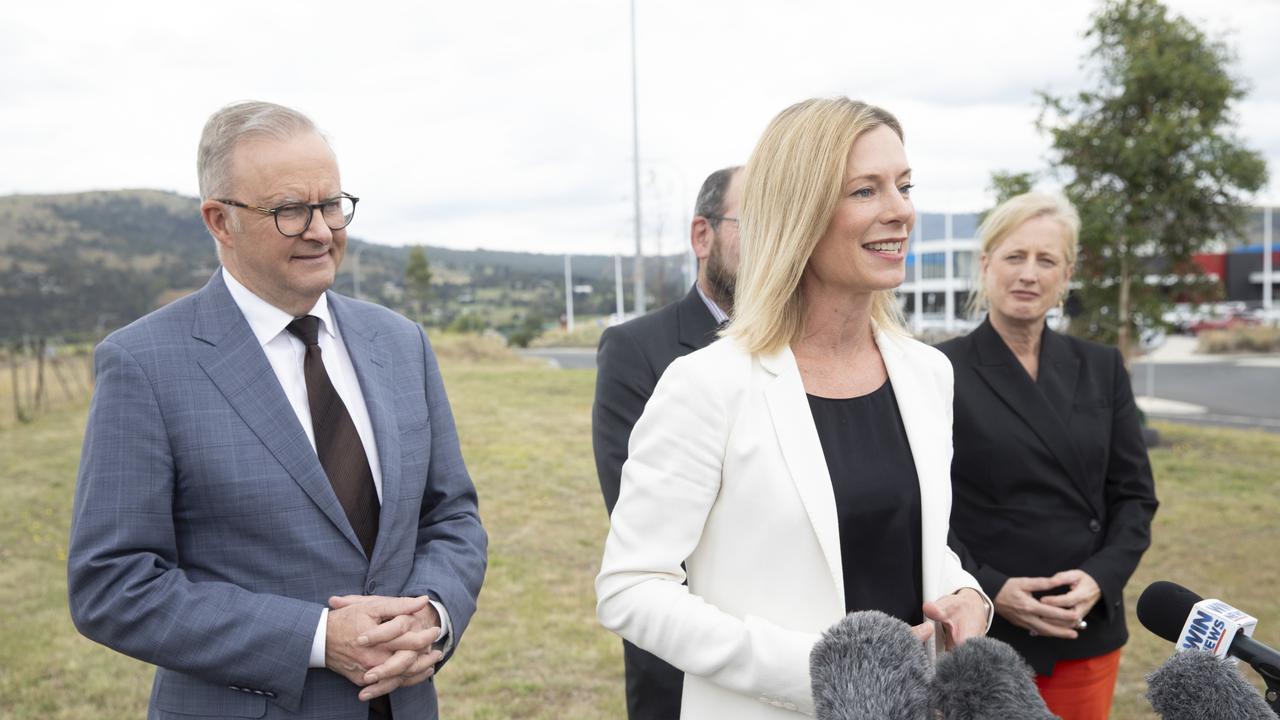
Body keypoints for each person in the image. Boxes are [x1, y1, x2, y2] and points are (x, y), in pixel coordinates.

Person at [67, 101, 488, 720]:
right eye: (290, 210)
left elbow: (451, 516)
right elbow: (113, 585)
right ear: (220, 221)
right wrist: (315, 638)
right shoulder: (145, 363)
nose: (321, 230)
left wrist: (432, 612)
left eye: (332, 204)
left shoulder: (401, 342)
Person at [595, 97, 991, 719]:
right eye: (866, 190)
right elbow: (631, 590)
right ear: (798, 212)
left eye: (905, 185)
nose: (902, 211)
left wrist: (967, 595)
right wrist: (822, 671)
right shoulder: (706, 385)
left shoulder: (928, 373)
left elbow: (912, 539)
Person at [938, 192, 1158, 720]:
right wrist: (990, 589)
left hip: (1083, 628)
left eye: (1046, 260)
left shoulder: (1102, 366)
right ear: (986, 264)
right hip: (984, 627)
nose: (1028, 275)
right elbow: (922, 507)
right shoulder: (938, 370)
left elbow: (1133, 496)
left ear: (1067, 274)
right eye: (1015, 257)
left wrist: (1100, 577)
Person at [592, 165, 742, 719]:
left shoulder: (808, 348)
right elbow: (633, 507)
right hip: (682, 655)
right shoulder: (636, 348)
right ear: (702, 235)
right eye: (757, 222)